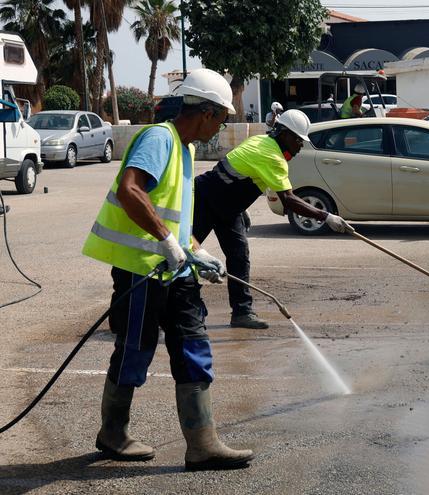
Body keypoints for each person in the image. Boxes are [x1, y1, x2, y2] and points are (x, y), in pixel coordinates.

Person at [82, 68, 253, 471]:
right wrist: (166, 240)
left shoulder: (186, 149)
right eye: (222, 118)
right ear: (207, 112)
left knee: (193, 345)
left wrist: (195, 250)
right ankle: (113, 432)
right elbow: (131, 190)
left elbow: (173, 219)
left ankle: (202, 444)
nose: (220, 127)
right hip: (141, 272)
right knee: (135, 350)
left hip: (174, 272)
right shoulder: (159, 139)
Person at [193, 109, 353, 329]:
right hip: (205, 200)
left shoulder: (260, 141)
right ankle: (176, 308)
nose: (300, 146)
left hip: (226, 206)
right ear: (285, 134)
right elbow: (288, 200)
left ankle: (242, 313)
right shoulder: (273, 157)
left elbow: (235, 171)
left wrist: (239, 207)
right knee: (188, 253)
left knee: (239, 256)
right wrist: (325, 216)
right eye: (298, 140)